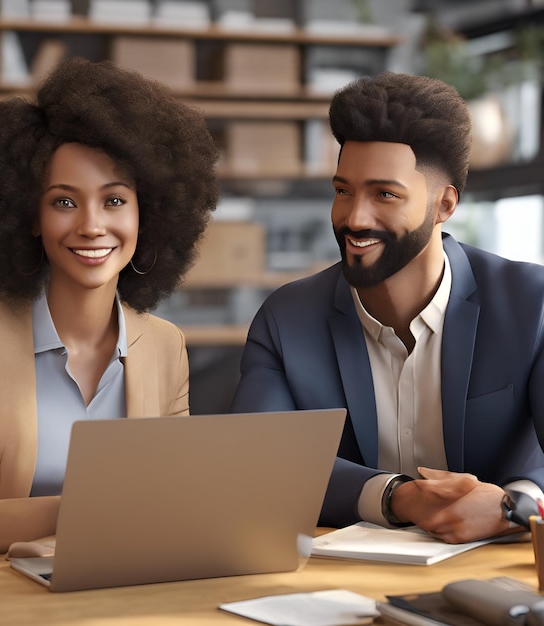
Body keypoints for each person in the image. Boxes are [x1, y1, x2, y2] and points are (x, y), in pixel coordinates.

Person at [0, 57, 219, 556]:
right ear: (29, 215)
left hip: (127, 589)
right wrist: (80, 509)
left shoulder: (166, 346)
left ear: (149, 214)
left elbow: (173, 504)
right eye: (64, 201)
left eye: (115, 200)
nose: (92, 226)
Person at [231, 71, 544, 544]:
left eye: (385, 194)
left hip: (494, 574)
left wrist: (513, 505)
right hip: (331, 584)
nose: (354, 217)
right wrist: (396, 496)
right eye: (343, 191)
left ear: (444, 205)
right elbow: (255, 464)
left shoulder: (530, 304)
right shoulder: (286, 318)